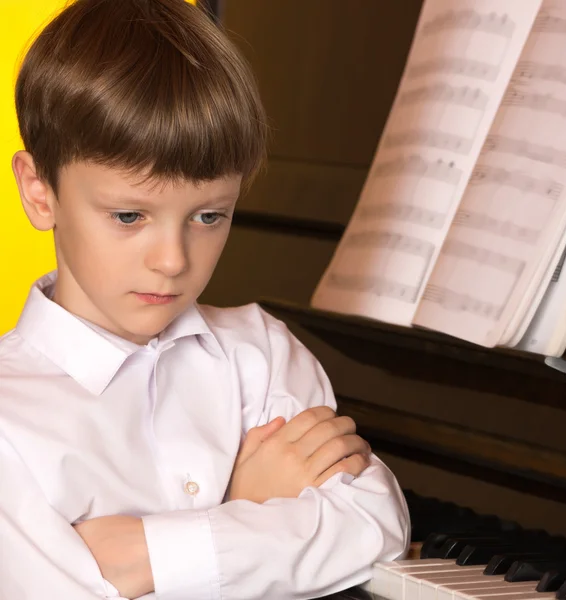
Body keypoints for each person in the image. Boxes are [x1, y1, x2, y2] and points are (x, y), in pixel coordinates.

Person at [0, 0, 410, 598]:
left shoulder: (262, 353)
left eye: (210, 215)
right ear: (40, 191)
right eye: (128, 215)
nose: (173, 260)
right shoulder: (10, 422)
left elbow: (376, 522)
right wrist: (246, 507)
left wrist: (143, 556)